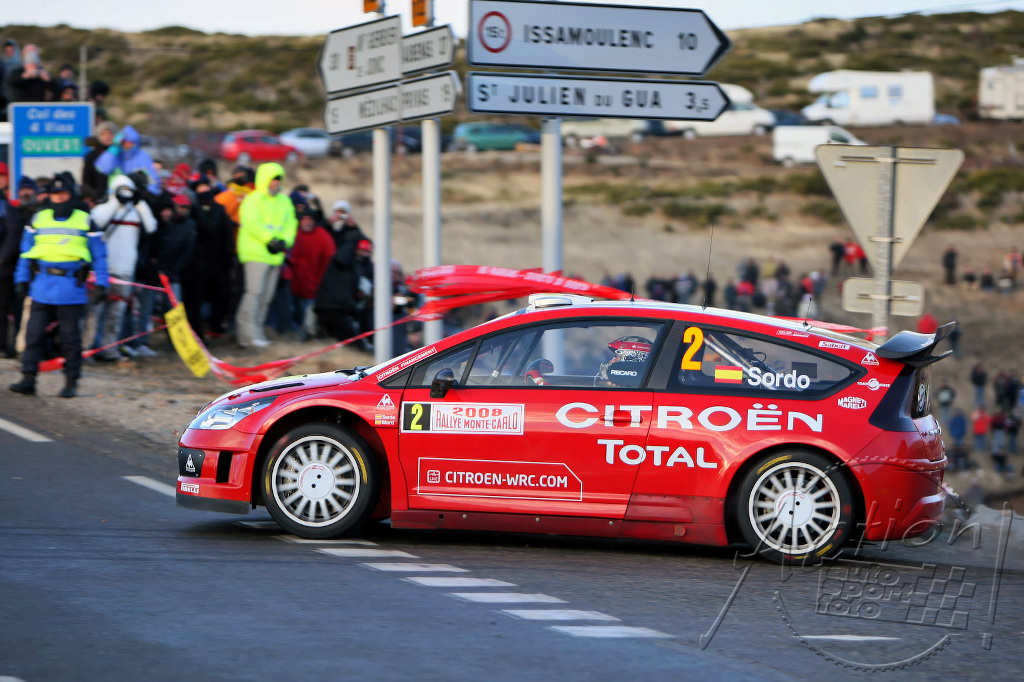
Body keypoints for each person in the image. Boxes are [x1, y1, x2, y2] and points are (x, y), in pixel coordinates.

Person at [9, 173, 109, 398]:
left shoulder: (85, 219)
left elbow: (100, 255)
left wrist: (102, 283)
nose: (59, 197)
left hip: (71, 287)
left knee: (70, 339)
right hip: (42, 285)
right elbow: (26, 252)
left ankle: (71, 382)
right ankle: (28, 379)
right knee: (33, 335)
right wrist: (21, 279)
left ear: (71, 194)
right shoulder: (38, 218)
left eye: (63, 193)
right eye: (55, 194)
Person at [88, 175, 157, 360]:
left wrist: (140, 202)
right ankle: (88, 349)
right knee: (94, 313)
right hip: (103, 271)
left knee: (116, 314)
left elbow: (151, 226)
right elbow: (96, 223)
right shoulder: (103, 208)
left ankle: (109, 349)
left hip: (125, 271)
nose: (126, 193)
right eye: (122, 189)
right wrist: (115, 202)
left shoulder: (136, 211)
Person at [234, 162, 296, 348]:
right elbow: (251, 223)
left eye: (278, 179)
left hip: (275, 256)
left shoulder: (285, 201)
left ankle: (257, 333)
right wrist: (271, 239)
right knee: (253, 294)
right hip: (255, 254)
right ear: (264, 179)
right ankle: (247, 335)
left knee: (266, 297)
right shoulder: (253, 200)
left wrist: (285, 241)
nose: (276, 182)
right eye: (272, 179)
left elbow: (291, 224)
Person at [181, 176, 232, 341]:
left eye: (206, 187)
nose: (203, 191)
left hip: (218, 261)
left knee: (222, 295)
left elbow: (226, 233)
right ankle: (197, 334)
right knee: (195, 300)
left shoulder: (219, 209)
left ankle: (216, 327)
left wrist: (228, 257)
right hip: (198, 263)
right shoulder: (193, 210)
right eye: (200, 188)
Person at [288, 206, 335, 341]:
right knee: (293, 312)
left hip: (314, 285)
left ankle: (306, 336)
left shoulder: (322, 236)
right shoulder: (293, 233)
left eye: (310, 219)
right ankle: (292, 335)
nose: (307, 222)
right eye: (304, 219)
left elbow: (329, 259)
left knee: (308, 315)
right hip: (293, 284)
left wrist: (321, 281)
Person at [0, 161, 25, 358]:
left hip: (3, 269)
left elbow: (13, 235)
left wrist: (2, 258)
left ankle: (2, 346)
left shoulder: (7, 206)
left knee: (2, 309)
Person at [93, 125, 160, 195]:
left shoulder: (143, 156)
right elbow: (102, 168)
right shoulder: (116, 155)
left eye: (130, 142)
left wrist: (150, 194)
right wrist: (114, 147)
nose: (127, 145)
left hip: (138, 195)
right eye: (124, 142)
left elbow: (152, 179)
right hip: (116, 194)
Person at [82, 121, 118, 198]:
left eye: (110, 133)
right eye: (103, 134)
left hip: (120, 194)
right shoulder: (92, 156)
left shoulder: (121, 153)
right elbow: (87, 179)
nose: (107, 137)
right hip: (99, 197)